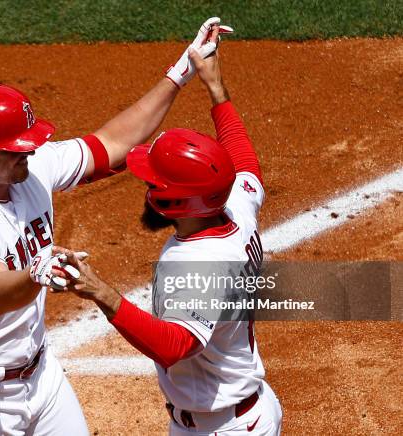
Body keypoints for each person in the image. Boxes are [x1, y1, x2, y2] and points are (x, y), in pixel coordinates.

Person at [0, 17, 228, 435]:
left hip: (41, 378)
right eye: (15, 148)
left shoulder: (28, 170)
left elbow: (112, 144)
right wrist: (34, 274)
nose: (29, 152)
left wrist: (179, 73)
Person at [56, 25, 283, 435]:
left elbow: (174, 345)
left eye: (154, 184)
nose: (146, 188)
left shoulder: (196, 262)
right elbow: (245, 163)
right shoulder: (234, 204)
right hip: (245, 411)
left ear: (177, 202)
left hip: (223, 428)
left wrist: (99, 291)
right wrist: (215, 87)